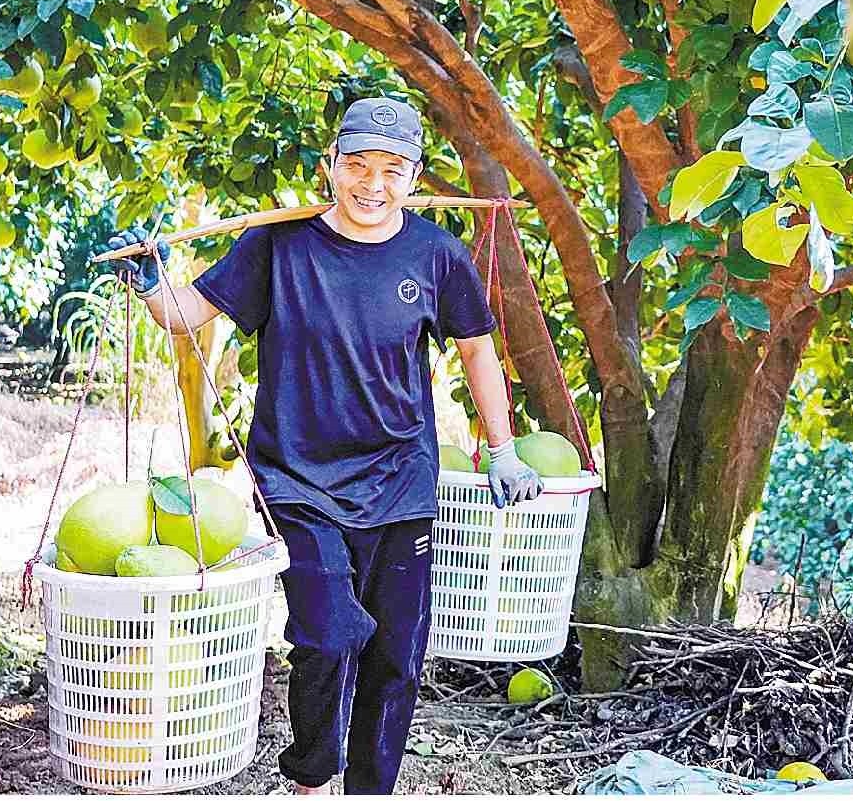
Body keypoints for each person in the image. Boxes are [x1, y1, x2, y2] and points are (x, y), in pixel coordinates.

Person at [104, 95, 544, 795]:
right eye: (357, 166)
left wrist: (503, 448)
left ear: (414, 174)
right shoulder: (279, 243)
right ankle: (311, 776)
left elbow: (477, 351)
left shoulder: (436, 254)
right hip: (296, 480)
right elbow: (185, 316)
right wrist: (152, 283)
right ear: (328, 166)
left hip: (400, 479)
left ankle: (370, 789)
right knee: (328, 634)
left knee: (395, 658)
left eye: (391, 169)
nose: (373, 184)